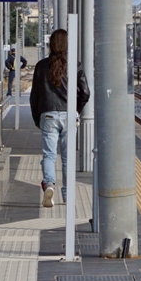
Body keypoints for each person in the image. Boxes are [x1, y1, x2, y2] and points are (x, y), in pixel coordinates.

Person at [29, 29, 89, 208]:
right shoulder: (75, 66)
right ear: (66, 45)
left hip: (47, 115)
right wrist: (77, 111)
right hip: (69, 115)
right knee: (67, 157)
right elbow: (85, 93)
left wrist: (36, 118)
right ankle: (67, 194)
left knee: (49, 154)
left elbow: (34, 95)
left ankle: (49, 185)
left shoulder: (41, 66)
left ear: (50, 45)